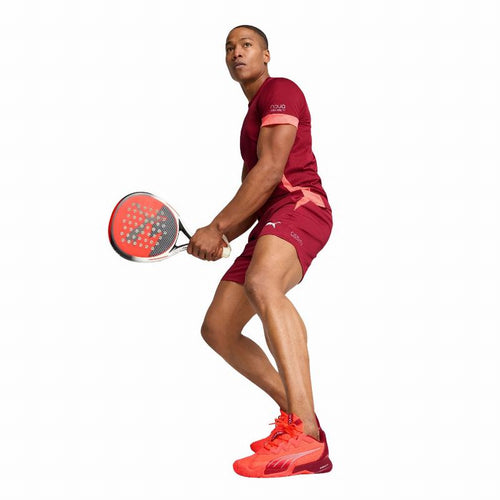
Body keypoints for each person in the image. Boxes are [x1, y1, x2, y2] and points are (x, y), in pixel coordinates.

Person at [187, 25, 333, 478]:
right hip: (271, 217)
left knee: (264, 283)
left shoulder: (281, 90)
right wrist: (221, 236)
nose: (236, 52)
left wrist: (217, 227)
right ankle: (299, 420)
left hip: (300, 207)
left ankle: (305, 434)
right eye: (229, 47)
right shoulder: (252, 116)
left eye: (246, 44)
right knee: (218, 328)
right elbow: (254, 190)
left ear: (266, 54)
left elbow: (271, 171)